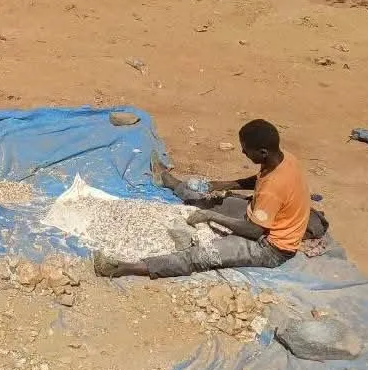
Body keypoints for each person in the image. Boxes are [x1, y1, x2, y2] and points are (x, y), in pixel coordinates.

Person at [94, 119, 312, 280]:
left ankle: (125, 268)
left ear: (263, 152)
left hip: (270, 247)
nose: (243, 153)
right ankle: (170, 182)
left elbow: (255, 231)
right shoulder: (284, 160)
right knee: (208, 198)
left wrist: (211, 216)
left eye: (246, 150)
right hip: (258, 215)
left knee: (200, 255)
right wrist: (223, 185)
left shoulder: (273, 190)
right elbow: (259, 181)